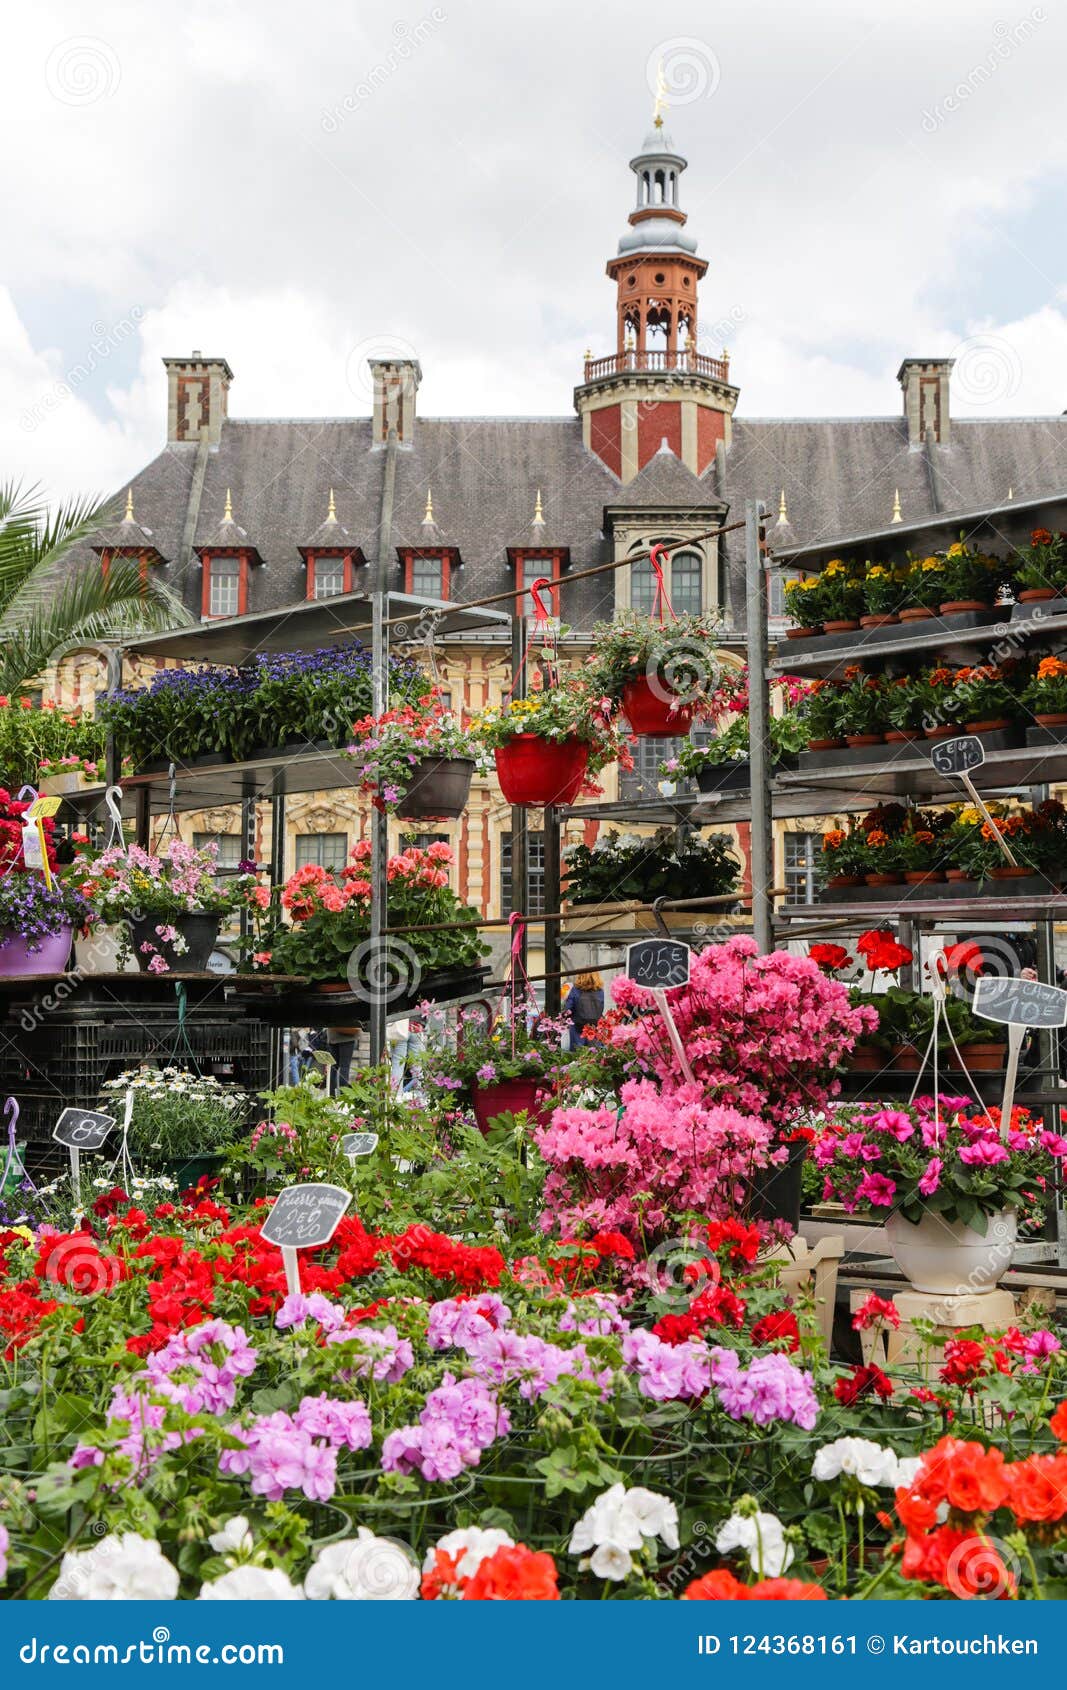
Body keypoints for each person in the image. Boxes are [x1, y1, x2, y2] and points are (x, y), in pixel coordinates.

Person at [565, 971, 604, 1050]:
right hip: (594, 1028)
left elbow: (568, 1008)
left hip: (577, 1028)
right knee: (594, 1054)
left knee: (577, 1055)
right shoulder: (600, 991)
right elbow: (601, 1009)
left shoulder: (575, 989)